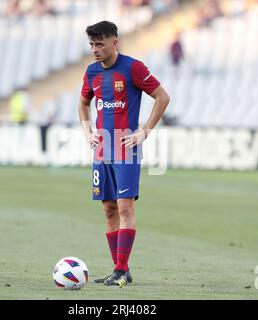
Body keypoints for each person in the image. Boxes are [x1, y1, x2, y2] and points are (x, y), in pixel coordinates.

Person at [78, 21, 170, 286]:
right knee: (108, 210)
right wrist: (87, 130)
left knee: (125, 206)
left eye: (100, 44)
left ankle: (120, 270)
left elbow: (162, 97)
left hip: (126, 148)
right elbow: (83, 103)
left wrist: (144, 131)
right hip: (102, 149)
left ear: (114, 42)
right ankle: (121, 269)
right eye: (92, 44)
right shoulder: (91, 72)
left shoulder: (133, 68)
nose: (95, 49)